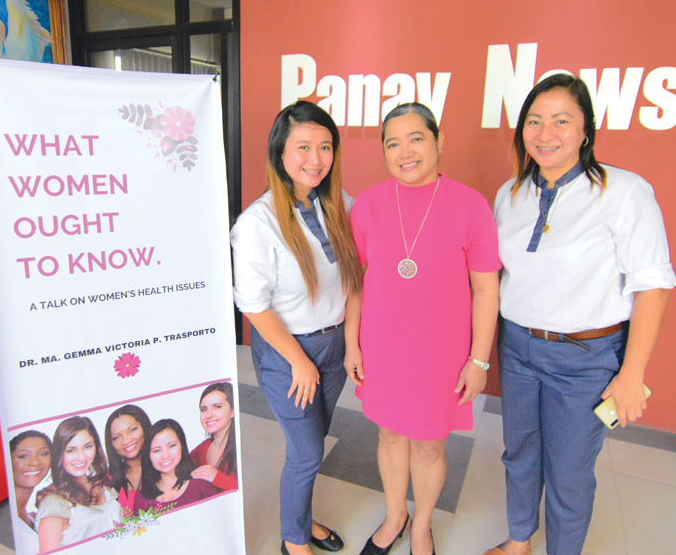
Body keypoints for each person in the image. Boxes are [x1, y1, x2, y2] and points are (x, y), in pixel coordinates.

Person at [487, 73, 676, 555]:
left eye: (560, 121)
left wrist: (632, 374)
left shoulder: (624, 191)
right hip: (517, 347)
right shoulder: (510, 193)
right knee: (519, 456)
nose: (545, 133)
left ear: (586, 131)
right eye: (534, 121)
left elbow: (653, 287)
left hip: (586, 357)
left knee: (569, 472)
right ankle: (518, 543)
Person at [345, 102, 501, 555]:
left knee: (430, 446)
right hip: (382, 347)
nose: (405, 152)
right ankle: (396, 516)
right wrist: (352, 344)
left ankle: (422, 526)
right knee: (389, 434)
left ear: (438, 141)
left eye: (416, 138)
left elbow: (486, 291)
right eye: (392, 143)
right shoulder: (370, 204)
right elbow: (356, 283)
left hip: (441, 353)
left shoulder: (471, 206)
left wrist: (478, 359)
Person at [231, 101, 363, 555]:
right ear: (280, 154)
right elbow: (253, 305)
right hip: (288, 355)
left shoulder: (339, 203)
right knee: (307, 453)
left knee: (312, 446)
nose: (316, 158)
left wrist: (350, 344)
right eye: (303, 146)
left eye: (325, 147)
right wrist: (299, 363)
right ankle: (293, 541)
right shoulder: (257, 224)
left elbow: (354, 281)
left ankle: (301, 519)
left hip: (332, 349)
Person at [35, 416, 121, 552]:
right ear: (60, 453)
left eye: (87, 447)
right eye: (71, 450)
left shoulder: (106, 489)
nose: (81, 457)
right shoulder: (54, 503)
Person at [139, 419, 220, 510]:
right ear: (148, 454)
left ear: (182, 446)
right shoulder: (141, 499)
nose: (165, 455)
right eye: (157, 450)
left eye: (172, 446)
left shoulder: (201, 486)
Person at [190, 382, 238, 491]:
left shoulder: (239, 448)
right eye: (204, 409)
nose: (208, 415)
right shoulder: (203, 448)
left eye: (217, 407)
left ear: (233, 411)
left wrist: (216, 477)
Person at [104, 404, 152, 513]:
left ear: (144, 428)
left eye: (132, 430)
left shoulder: (165, 466)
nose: (126, 441)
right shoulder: (106, 481)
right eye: (117, 437)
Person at [9, 430, 52, 530]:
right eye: (23, 456)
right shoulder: (7, 514)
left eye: (43, 454)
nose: (35, 462)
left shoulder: (34, 519)